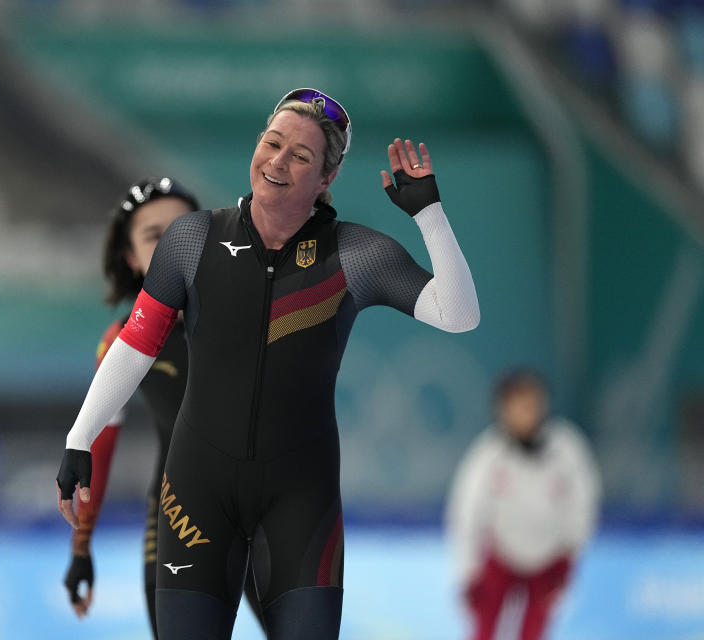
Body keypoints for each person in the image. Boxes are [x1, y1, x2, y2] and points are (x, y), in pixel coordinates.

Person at [57, 87, 481, 639]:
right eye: (272, 143)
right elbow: (134, 346)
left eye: (300, 155)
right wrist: (79, 438)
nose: (278, 161)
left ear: (326, 179)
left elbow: (459, 314)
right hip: (196, 496)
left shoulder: (354, 254)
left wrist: (429, 214)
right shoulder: (191, 241)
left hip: (300, 503)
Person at [63, 177, 264, 637]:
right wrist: (81, 548)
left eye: (185, 229)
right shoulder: (118, 344)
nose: (176, 245)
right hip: (178, 513)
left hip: (267, 512)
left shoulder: (260, 310)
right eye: (156, 237)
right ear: (132, 259)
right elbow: (99, 445)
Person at [445, 369, 601, 640]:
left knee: (534, 634)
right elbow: (466, 514)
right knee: (483, 632)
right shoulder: (488, 455)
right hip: (501, 557)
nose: (526, 411)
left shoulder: (568, 450)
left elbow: (583, 505)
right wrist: (468, 573)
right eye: (517, 404)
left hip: (548, 562)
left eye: (532, 403)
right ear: (503, 409)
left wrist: (568, 558)